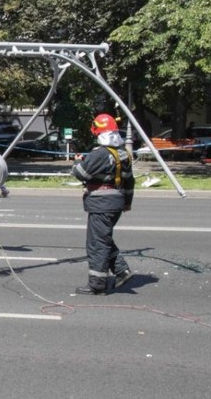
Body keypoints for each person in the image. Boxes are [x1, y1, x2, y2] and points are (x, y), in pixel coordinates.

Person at [70, 113, 135, 295]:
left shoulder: (99, 153)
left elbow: (81, 173)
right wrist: (127, 203)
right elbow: (130, 181)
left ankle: (97, 284)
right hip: (116, 202)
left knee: (97, 243)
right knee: (103, 239)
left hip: (101, 203)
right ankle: (122, 271)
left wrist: (76, 162)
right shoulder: (123, 154)